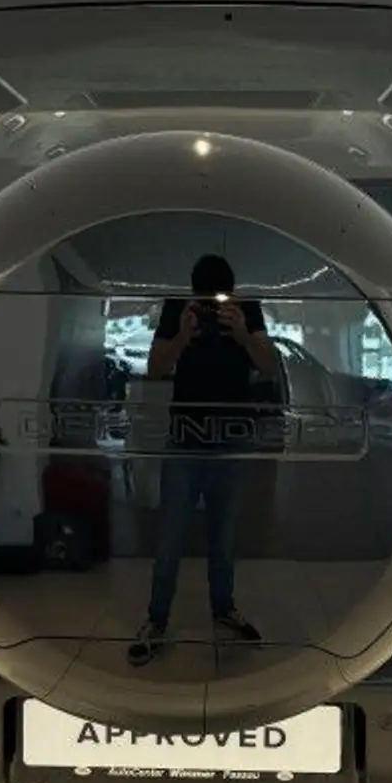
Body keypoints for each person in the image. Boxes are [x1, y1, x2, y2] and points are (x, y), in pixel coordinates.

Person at [128, 254, 280, 665]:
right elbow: (155, 368)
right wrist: (182, 335)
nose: (214, 307)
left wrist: (244, 335)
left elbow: (269, 365)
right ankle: (156, 620)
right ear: (193, 291)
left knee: (224, 537)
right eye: (207, 298)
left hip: (230, 442)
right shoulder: (179, 309)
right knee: (169, 539)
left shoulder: (246, 309)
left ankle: (224, 609)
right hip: (184, 441)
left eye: (220, 299)